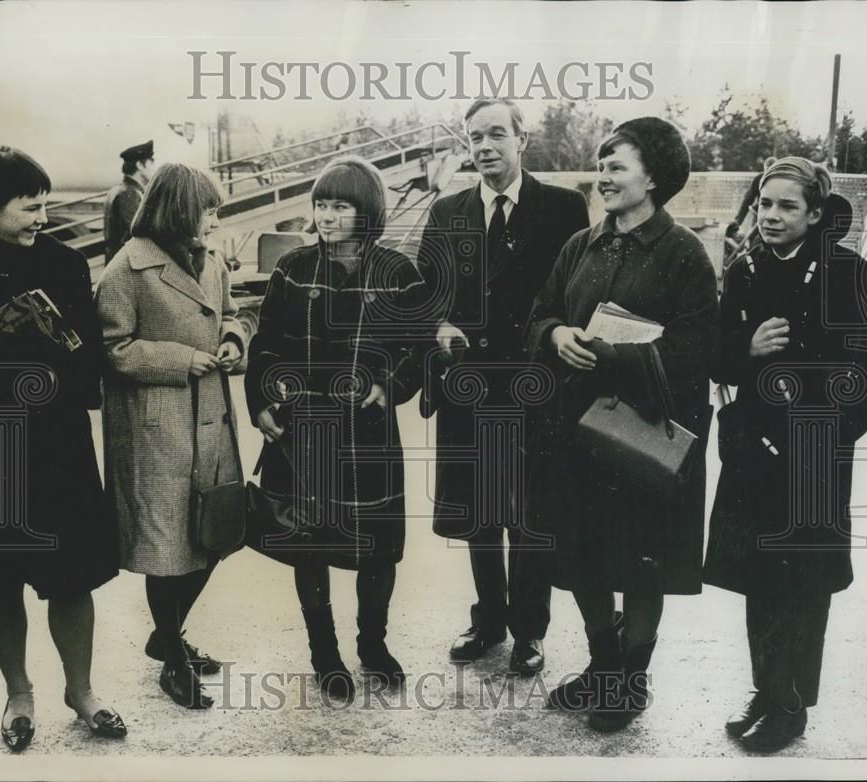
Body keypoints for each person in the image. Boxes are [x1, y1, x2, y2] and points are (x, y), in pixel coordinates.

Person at [0, 144, 126, 751]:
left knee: (72, 576)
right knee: (0, 572)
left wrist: (56, 357)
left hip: (56, 440)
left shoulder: (67, 263)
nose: (43, 216)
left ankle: (82, 690)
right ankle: (19, 692)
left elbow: (89, 356)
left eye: (45, 204)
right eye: (29, 206)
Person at [524, 117, 718, 731]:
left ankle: (630, 680)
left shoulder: (683, 252)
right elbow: (540, 313)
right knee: (583, 555)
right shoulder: (581, 245)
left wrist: (613, 355)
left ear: (653, 177)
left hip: (638, 437)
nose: (602, 177)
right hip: (577, 434)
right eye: (600, 165)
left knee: (640, 560)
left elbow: (698, 350)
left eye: (616, 166)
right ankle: (602, 667)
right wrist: (555, 334)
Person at [704, 158, 867, 752]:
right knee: (759, 578)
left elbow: (862, 388)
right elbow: (717, 361)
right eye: (764, 204)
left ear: (815, 213)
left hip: (812, 460)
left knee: (802, 584)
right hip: (754, 452)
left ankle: (792, 705)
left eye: (786, 206)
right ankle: (766, 688)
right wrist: (745, 347)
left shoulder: (849, 274)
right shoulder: (745, 268)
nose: (771, 216)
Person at [416, 98, 589, 676]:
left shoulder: (564, 209)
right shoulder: (448, 212)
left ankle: (530, 631)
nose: (484, 146)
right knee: (483, 515)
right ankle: (489, 619)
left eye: (496, 135)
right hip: (470, 390)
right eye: (475, 137)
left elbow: (576, 294)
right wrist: (438, 323)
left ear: (523, 140)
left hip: (536, 390)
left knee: (532, 515)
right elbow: (426, 295)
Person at [245, 156, 427, 699]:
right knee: (309, 545)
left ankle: (373, 643)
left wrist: (388, 386)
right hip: (305, 432)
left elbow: (417, 348)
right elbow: (265, 345)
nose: (326, 216)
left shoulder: (398, 274)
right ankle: (323, 653)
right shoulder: (292, 268)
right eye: (320, 205)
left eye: (339, 206)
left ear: (366, 211)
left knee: (377, 548)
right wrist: (260, 401)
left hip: (369, 435)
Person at [96, 163, 245, 709]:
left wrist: (232, 338)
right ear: (180, 209)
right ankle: (175, 662)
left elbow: (234, 314)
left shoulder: (211, 259)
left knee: (216, 535)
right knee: (168, 549)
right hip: (156, 431)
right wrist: (182, 359)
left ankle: (166, 634)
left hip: (210, 424)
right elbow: (112, 349)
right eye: (209, 209)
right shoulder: (126, 269)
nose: (214, 219)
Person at [103, 140, 155, 263]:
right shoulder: (129, 194)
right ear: (140, 165)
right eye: (151, 162)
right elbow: (136, 232)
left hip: (118, 262)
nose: (154, 167)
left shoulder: (119, 190)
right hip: (127, 265)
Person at [735, 156, 778, 234]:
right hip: (760, 213)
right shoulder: (758, 179)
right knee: (753, 237)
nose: (769, 175)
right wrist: (738, 220)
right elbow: (748, 199)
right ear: (764, 169)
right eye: (767, 171)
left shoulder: (783, 181)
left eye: (773, 171)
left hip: (776, 215)